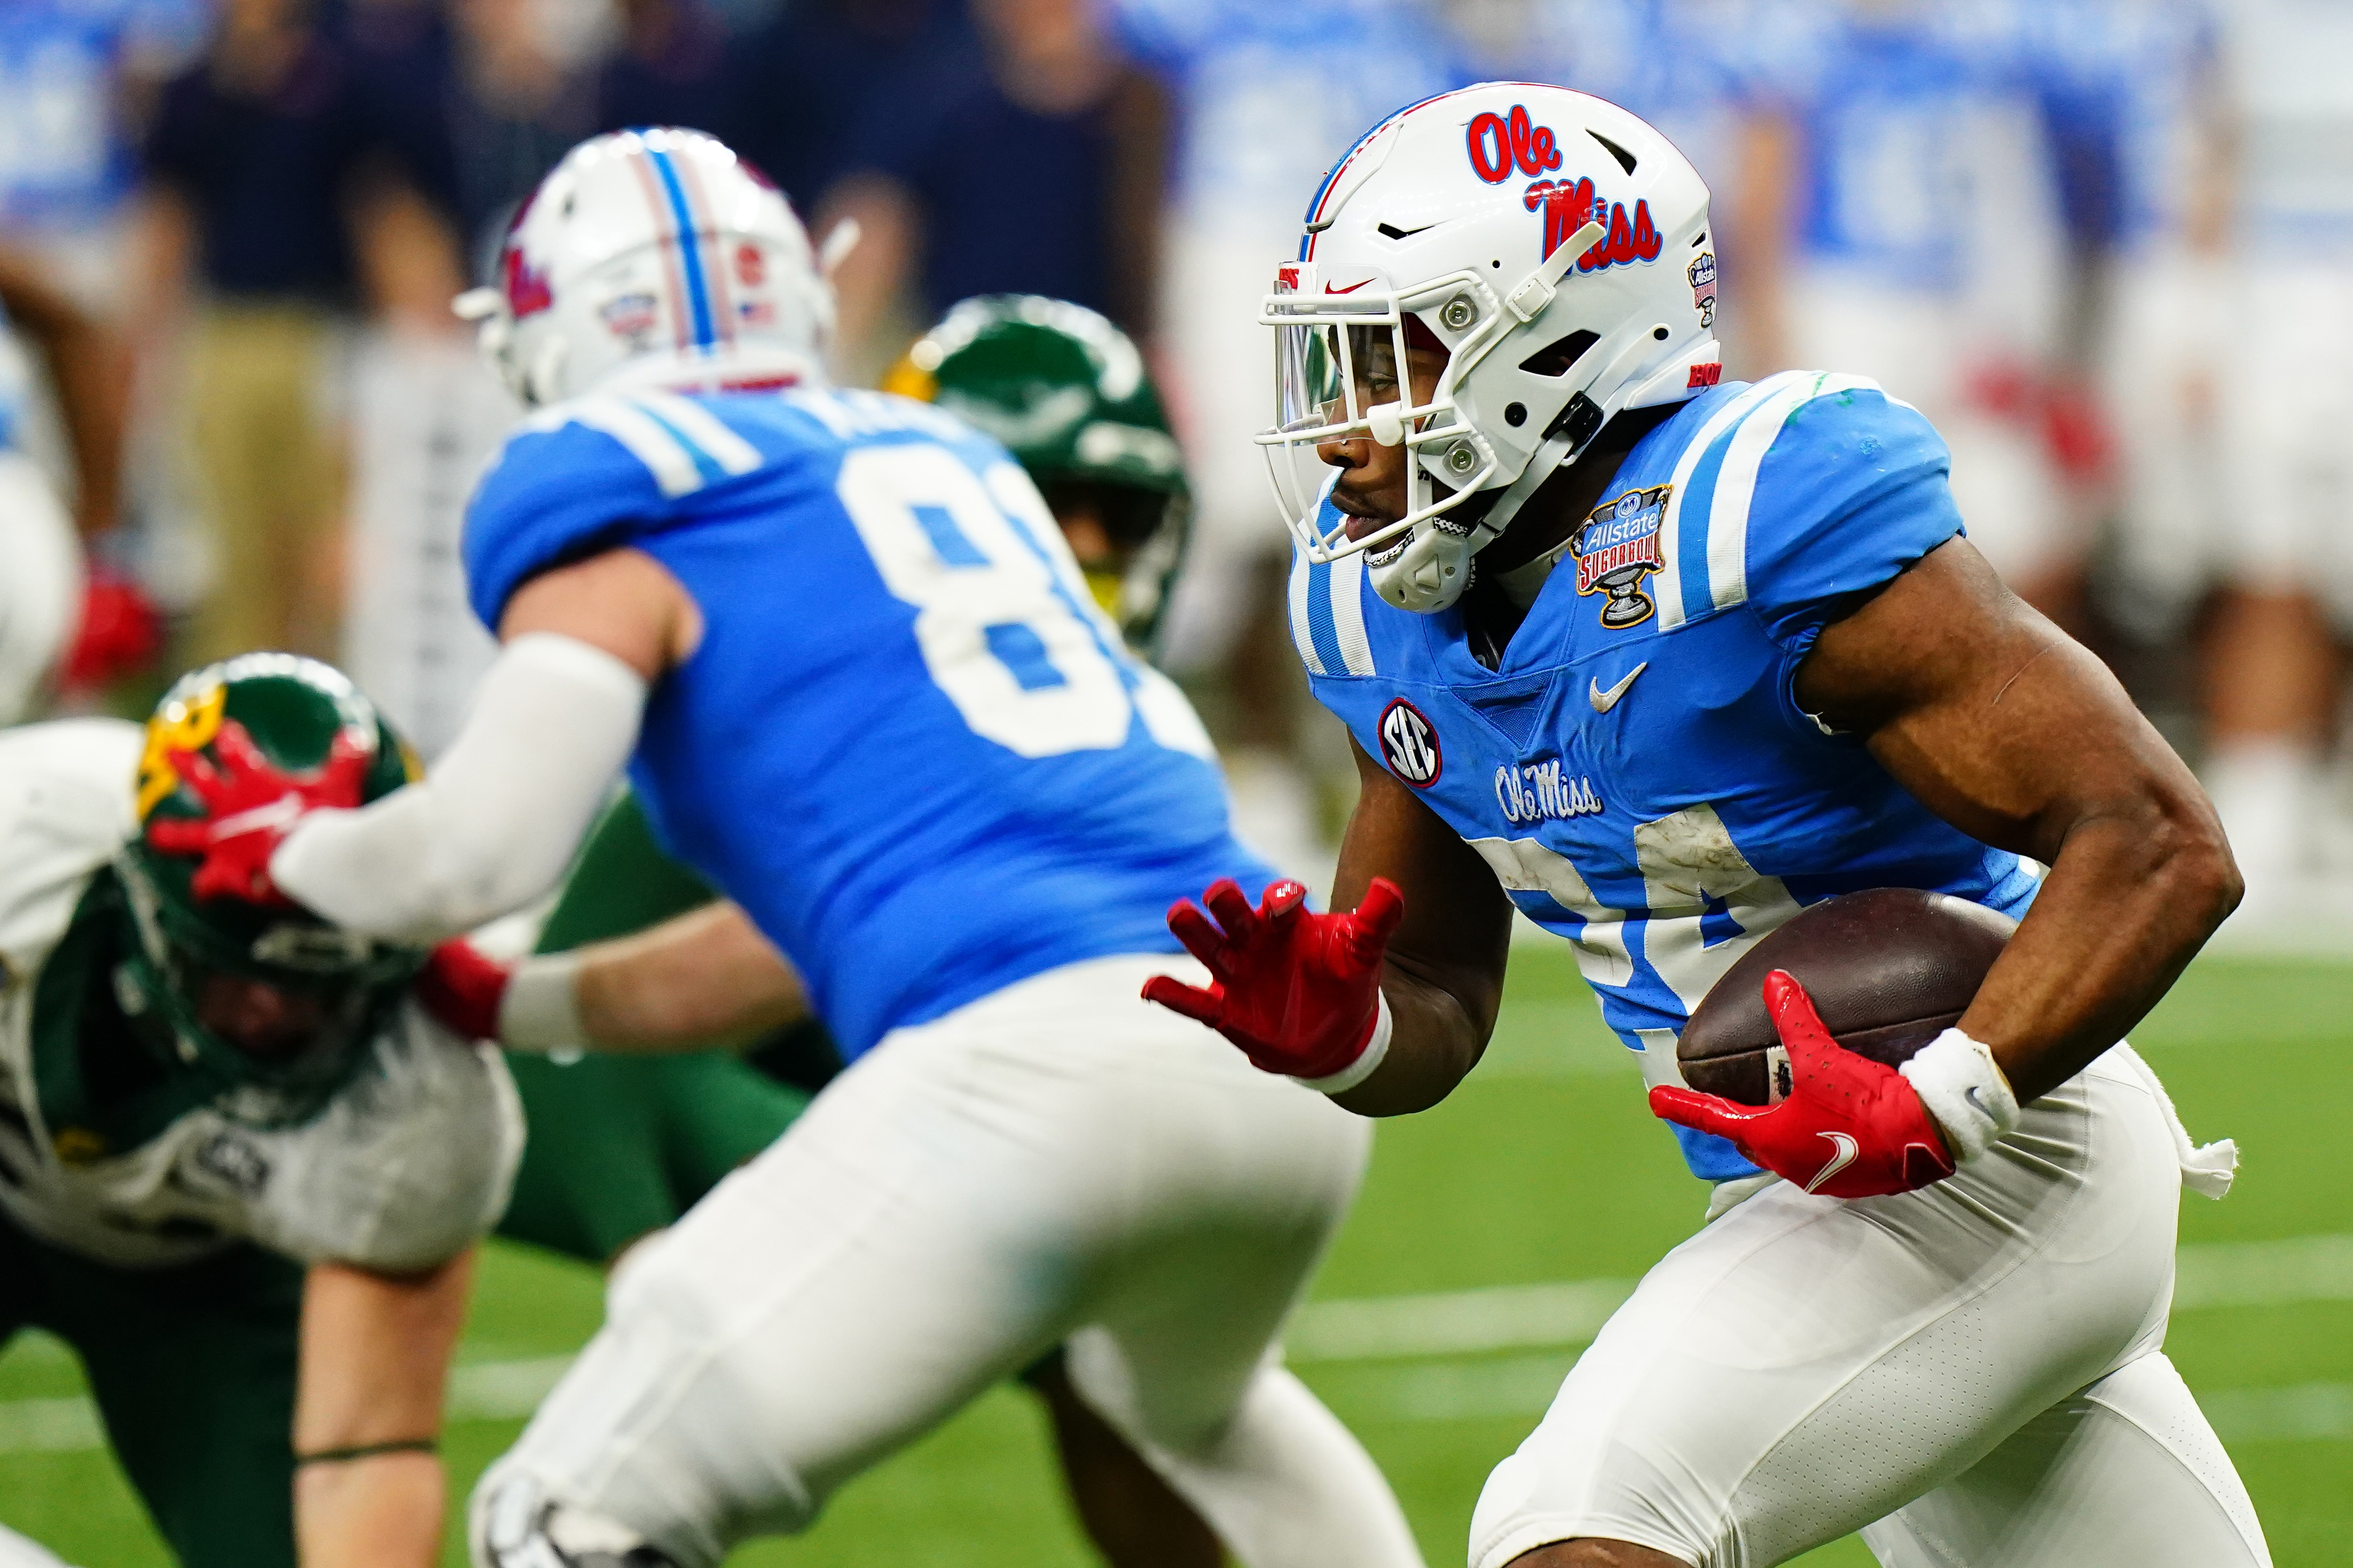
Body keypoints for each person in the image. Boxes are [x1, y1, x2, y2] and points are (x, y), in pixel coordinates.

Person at [154, 127, 1421, 1568]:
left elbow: (477, 853)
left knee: (566, 1512)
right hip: (1261, 1073)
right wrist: (515, 1001)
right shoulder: (940, 460)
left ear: (561, 321)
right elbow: (790, 939)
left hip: (1028, 1072)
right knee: (1199, 1421)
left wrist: (287, 855)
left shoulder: (631, 486)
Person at [1144, 82, 2271, 1567]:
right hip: (1821, 1172)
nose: (1348, 425)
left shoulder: (1747, 520)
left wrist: (1945, 1093)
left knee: (1579, 1526)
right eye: (1332, 364)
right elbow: (1434, 1005)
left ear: (1555, 338)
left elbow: (2155, 837)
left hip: (1994, 1148)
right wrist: (1345, 1030)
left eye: (1396, 354)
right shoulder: (1375, 607)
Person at [463, 294, 1225, 1565]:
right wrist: (652, 1260)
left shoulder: (1097, 731)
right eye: (1051, 508)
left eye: (1121, 513)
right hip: (593, 1093)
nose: (1090, 547)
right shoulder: (820, 703)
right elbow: (578, 1023)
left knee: (1118, 1351)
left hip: (853, 1076)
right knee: (1078, 1328)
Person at [0, 653, 521, 1568]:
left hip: (214, 1283)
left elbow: (372, 1454)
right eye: (236, 970)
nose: (272, 1013)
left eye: (318, 981)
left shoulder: (428, 1106)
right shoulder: (25, 834)